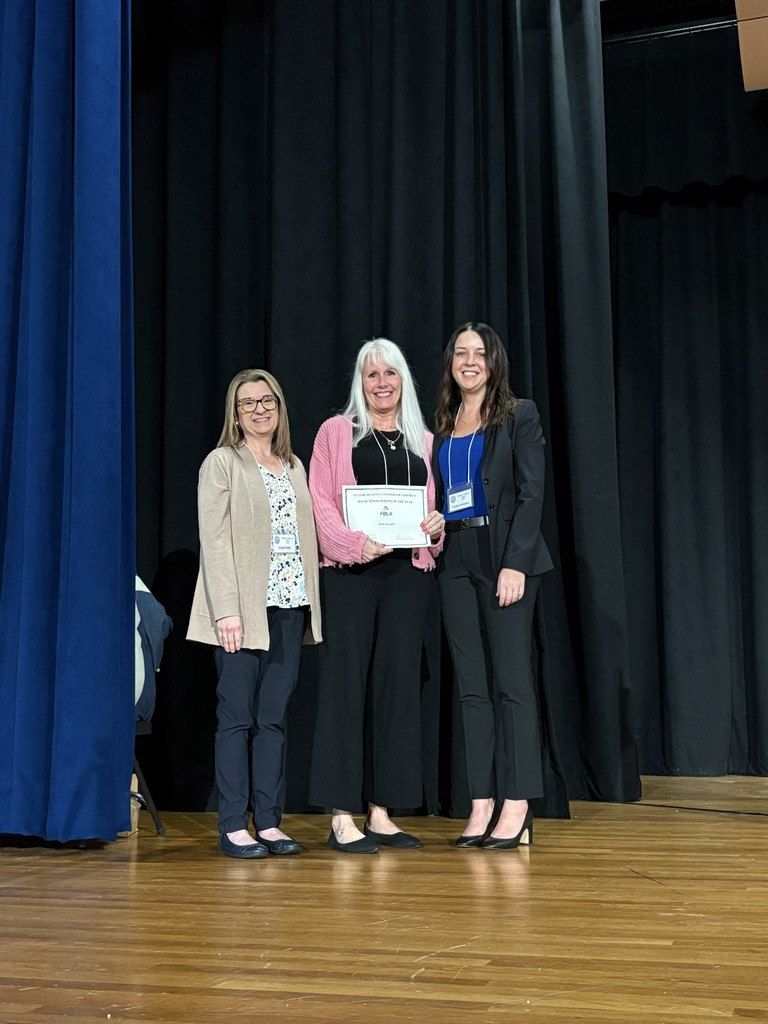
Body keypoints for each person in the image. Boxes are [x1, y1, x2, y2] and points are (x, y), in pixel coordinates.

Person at [308, 339, 445, 853]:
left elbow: (434, 512)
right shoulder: (336, 432)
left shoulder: (424, 441)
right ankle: (343, 815)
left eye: (390, 373)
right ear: (359, 383)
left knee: (396, 689)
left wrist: (436, 529)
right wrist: (352, 544)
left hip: (407, 579)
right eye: (371, 374)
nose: (381, 382)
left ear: (403, 380)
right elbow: (319, 503)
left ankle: (382, 811)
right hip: (351, 575)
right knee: (345, 689)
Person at [187, 369, 322, 859]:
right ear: (236, 413)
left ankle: (267, 821)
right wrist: (226, 611)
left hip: (290, 607)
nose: (260, 409)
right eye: (248, 404)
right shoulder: (222, 463)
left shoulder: (293, 464)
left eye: (267, 400)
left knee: (273, 720)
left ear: (280, 406)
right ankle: (232, 823)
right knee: (236, 719)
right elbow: (215, 541)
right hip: (242, 613)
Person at [433, 322, 553, 850]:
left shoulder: (517, 415)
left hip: (503, 558)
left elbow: (531, 494)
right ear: (451, 363)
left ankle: (518, 803)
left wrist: (516, 564)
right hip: (453, 557)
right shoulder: (441, 424)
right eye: (461, 353)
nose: (469, 361)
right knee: (472, 688)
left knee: (512, 683)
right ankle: (481, 801)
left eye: (479, 353)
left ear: (494, 362)